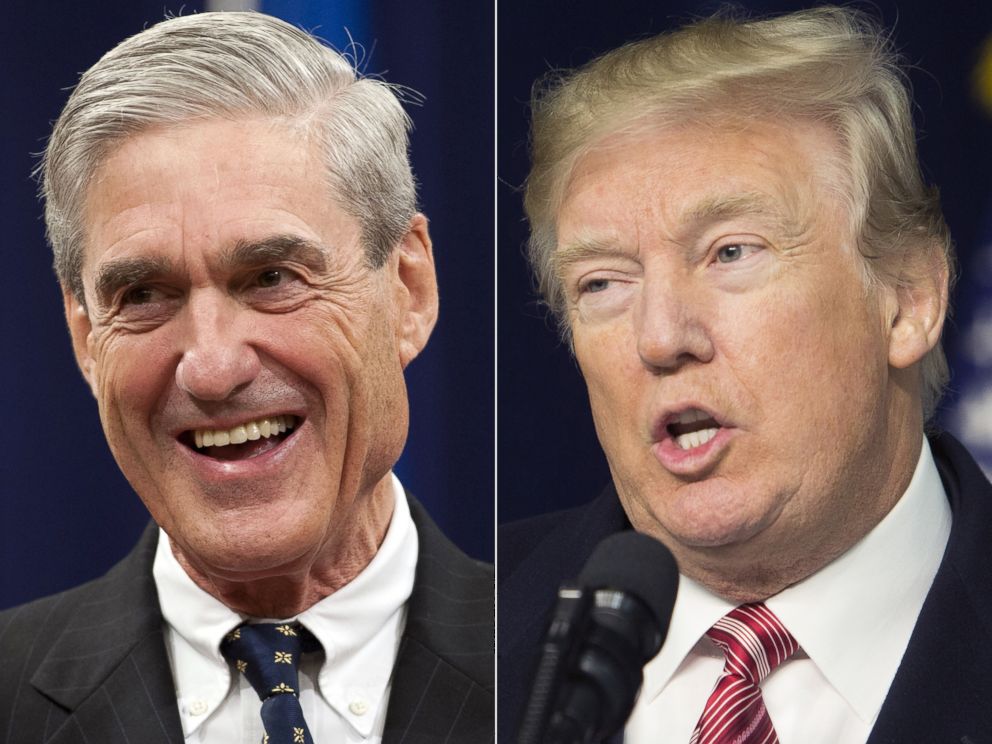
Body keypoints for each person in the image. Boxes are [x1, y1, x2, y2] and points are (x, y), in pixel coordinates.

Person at [499, 6, 992, 743]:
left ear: (907, 299)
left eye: (731, 252)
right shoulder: (462, 626)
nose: (661, 338)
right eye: (603, 283)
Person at [0, 12, 492, 743]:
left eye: (271, 277)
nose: (213, 366)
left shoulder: (582, 669)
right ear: (85, 338)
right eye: (144, 295)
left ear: (408, 290)